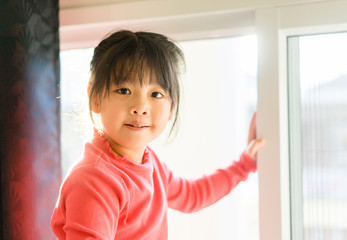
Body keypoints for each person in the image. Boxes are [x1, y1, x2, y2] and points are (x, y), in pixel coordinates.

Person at [51, 30, 265, 240]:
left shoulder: (148, 162)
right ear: (95, 99)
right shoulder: (94, 180)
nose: (140, 107)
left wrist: (244, 164)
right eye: (124, 90)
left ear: (172, 107)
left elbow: (192, 195)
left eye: (156, 94)